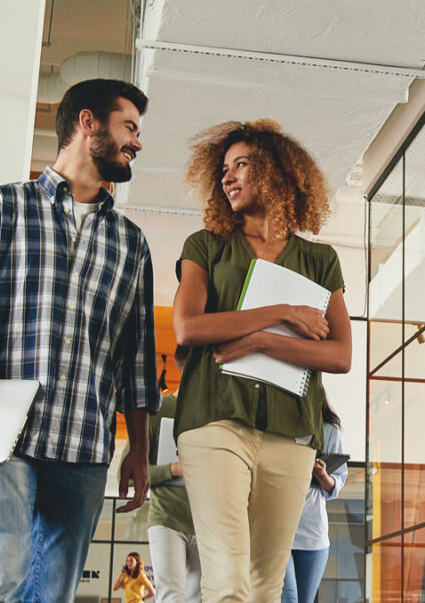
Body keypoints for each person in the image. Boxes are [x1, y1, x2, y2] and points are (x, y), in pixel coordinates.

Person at [0, 79, 161, 603]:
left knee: (53, 596)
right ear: (87, 123)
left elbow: (137, 360)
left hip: (84, 443)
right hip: (2, 436)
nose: (137, 142)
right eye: (129, 127)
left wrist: (138, 450)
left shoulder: (132, 244)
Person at [171, 119, 353, 603]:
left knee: (265, 586)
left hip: (290, 433)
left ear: (275, 171)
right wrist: (281, 315)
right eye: (224, 169)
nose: (228, 177)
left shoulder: (320, 260)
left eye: (242, 165)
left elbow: (339, 355)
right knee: (228, 580)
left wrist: (263, 343)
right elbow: (189, 327)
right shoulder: (206, 247)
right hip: (214, 422)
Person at [282, 407, 347, 603]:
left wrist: (322, 476)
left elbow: (337, 483)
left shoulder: (328, 430)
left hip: (313, 533)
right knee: (289, 598)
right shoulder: (277, 427)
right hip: (280, 529)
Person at [142, 394, 202, 603]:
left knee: (201, 597)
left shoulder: (217, 410)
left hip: (206, 524)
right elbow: (128, 474)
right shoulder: (159, 409)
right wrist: (173, 469)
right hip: (167, 519)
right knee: (172, 596)